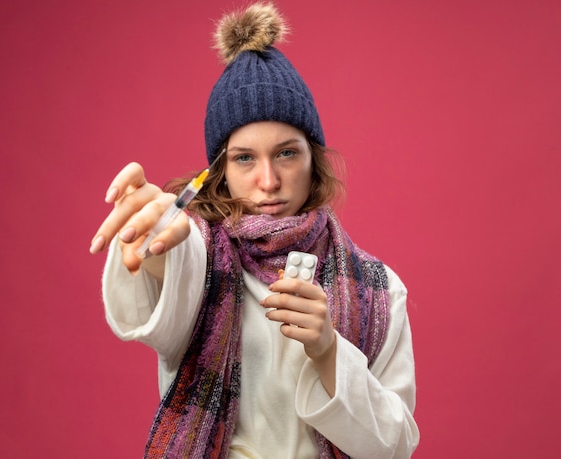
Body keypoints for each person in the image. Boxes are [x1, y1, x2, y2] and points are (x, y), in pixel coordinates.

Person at [90, 2, 419, 458]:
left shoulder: (379, 290)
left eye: (286, 153)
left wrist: (329, 351)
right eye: (245, 158)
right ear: (219, 171)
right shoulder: (201, 257)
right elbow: (176, 271)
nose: (269, 181)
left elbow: (395, 446)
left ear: (314, 158)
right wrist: (158, 246)